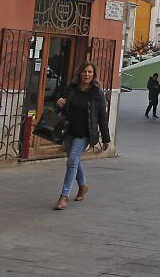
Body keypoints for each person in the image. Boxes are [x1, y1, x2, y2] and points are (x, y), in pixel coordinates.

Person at [53, 61, 111, 211]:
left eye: (90, 72)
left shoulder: (97, 93)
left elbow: (102, 117)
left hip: (85, 133)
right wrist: (60, 104)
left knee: (72, 160)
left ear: (94, 75)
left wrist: (106, 139)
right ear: (79, 73)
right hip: (69, 130)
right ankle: (83, 186)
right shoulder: (71, 89)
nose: (87, 74)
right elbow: (64, 110)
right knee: (75, 160)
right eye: (84, 71)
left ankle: (64, 196)